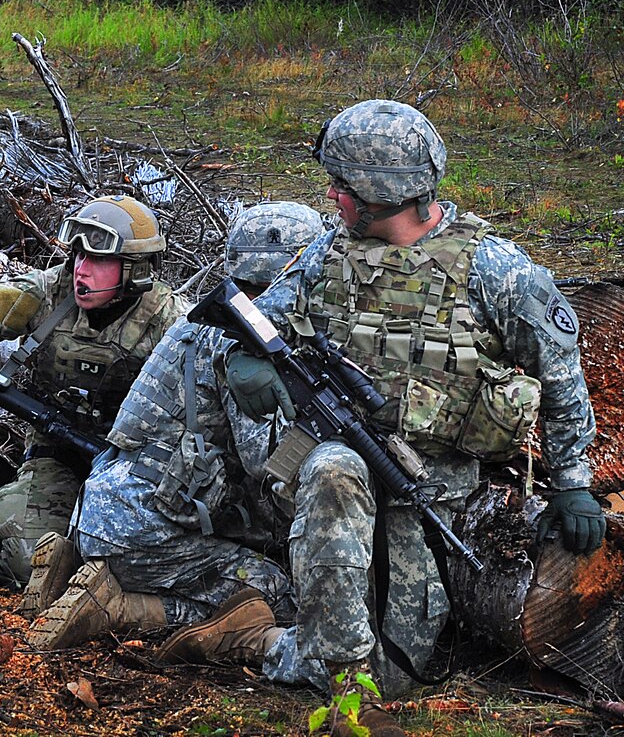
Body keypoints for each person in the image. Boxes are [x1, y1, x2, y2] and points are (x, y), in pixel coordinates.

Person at [166, 99, 604, 737]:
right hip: (329, 480)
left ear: (381, 193)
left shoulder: (496, 272)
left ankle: (249, 638)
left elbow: (563, 374)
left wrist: (573, 482)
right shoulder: (327, 254)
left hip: (428, 494)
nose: (331, 197)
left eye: (342, 185)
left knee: (399, 668)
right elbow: (264, 319)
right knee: (335, 470)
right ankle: (346, 704)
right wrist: (243, 358)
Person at [27, 202, 325, 665]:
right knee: (283, 594)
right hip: (142, 528)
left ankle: (81, 567)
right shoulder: (246, 343)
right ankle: (120, 608)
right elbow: (269, 472)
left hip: (106, 507)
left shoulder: (204, 320)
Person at [0, 194, 188, 591]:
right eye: (78, 257)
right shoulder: (47, 293)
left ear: (135, 270)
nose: (81, 270)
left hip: (135, 468)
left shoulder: (171, 321)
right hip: (57, 453)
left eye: (98, 260)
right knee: (25, 561)